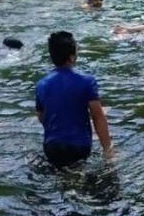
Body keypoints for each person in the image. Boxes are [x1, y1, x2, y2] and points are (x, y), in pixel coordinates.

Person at [35, 31, 113, 168]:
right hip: (79, 146)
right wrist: (107, 149)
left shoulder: (42, 84)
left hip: (51, 147)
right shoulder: (86, 81)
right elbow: (98, 117)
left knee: (60, 172)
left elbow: (41, 117)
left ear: (52, 57)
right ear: (72, 57)